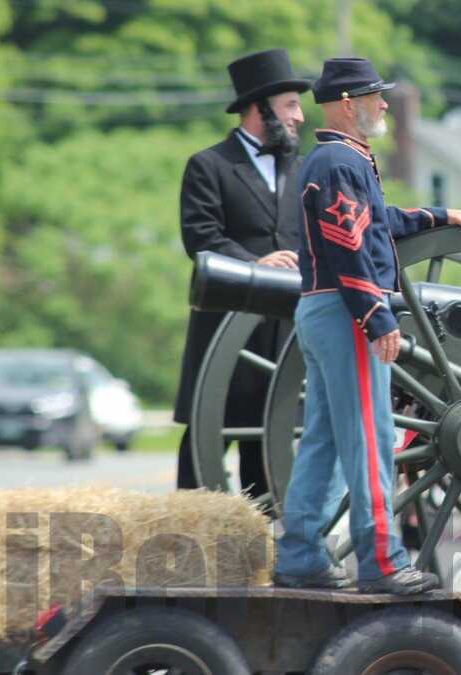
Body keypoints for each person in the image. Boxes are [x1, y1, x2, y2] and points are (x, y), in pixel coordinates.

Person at [272, 57, 461, 593]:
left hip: (322, 309)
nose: (384, 104)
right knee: (370, 438)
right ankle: (382, 562)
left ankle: (299, 555)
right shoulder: (340, 162)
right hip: (346, 313)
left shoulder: (336, 159)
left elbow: (375, 223)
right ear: (347, 104)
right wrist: (375, 315)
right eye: (374, 96)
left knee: (323, 441)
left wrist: (434, 217)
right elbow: (350, 244)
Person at [173, 49, 310, 501]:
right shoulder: (209, 165)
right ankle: (189, 528)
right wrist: (254, 264)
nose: (299, 116)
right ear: (260, 108)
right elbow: (201, 237)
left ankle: (264, 535)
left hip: (284, 333)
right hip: (225, 325)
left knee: (268, 444)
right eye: (290, 105)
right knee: (206, 436)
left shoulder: (302, 168)